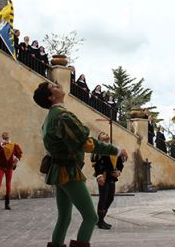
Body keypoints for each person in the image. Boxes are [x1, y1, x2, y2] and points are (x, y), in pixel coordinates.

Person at [33, 82, 128, 247]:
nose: (59, 85)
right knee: (91, 217)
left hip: (58, 170)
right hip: (68, 171)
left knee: (64, 217)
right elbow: (87, 143)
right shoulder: (62, 117)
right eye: (54, 86)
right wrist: (116, 150)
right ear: (51, 97)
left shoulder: (50, 118)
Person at [91, 131, 124, 230]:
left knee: (110, 198)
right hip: (104, 176)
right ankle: (100, 221)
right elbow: (97, 164)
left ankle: (101, 219)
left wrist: (118, 171)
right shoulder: (99, 150)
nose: (105, 134)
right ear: (99, 139)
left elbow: (120, 163)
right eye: (102, 134)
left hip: (112, 177)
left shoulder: (113, 149)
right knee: (103, 198)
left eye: (105, 133)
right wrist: (99, 175)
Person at [0, 132, 23, 210]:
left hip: (9, 168)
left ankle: (7, 204)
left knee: (8, 185)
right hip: (1, 167)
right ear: (2, 138)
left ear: (9, 138)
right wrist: (0, 145)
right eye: (4, 138)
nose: (6, 139)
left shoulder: (14, 145)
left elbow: (19, 155)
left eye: (7, 138)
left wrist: (15, 162)